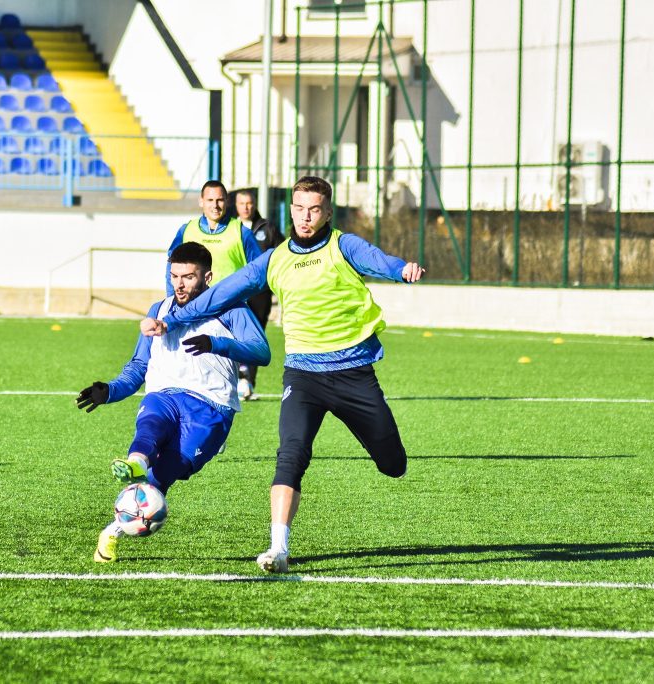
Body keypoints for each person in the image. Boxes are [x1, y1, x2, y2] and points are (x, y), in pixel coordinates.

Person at [141, 176, 425, 574]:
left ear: (328, 212)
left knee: (392, 463)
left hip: (353, 373)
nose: (305, 217)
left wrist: (401, 269)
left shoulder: (343, 246)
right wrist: (170, 319)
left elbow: (378, 260)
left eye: (314, 210)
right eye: (299, 209)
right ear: (290, 210)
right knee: (290, 455)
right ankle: (279, 549)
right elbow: (223, 293)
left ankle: (386, 455)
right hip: (303, 375)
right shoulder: (275, 258)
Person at [77, 241, 271, 564]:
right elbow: (139, 366)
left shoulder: (232, 310)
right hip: (165, 394)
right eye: (174, 276)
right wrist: (110, 390)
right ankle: (136, 461)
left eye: (188, 277)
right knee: (152, 423)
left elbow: (261, 352)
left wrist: (216, 344)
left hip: (211, 407)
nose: (179, 284)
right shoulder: (160, 310)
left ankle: (112, 530)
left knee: (165, 475)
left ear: (207, 278)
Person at [233, 188, 283, 400]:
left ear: (254, 204)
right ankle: (232, 380)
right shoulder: (230, 228)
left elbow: (281, 254)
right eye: (242, 203)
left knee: (255, 336)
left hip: (260, 291)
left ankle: (249, 384)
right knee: (233, 335)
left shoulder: (267, 228)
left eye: (249, 203)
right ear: (236, 206)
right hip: (235, 290)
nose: (246, 207)